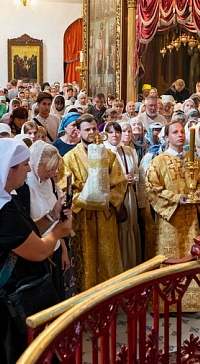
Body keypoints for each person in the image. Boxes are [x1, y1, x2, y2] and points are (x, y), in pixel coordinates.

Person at [0, 139, 72, 364]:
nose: (29, 169)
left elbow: (26, 233)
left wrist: (52, 216)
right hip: (9, 306)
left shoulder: (1, 199)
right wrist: (58, 233)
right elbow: (38, 251)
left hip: (8, 297)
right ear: (7, 169)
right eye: (25, 164)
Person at [145, 121, 200, 312]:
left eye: (182, 132)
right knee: (170, 259)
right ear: (166, 138)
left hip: (191, 219)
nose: (180, 135)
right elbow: (152, 190)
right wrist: (176, 198)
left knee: (191, 257)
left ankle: (190, 303)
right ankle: (168, 303)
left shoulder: (194, 160)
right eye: (175, 132)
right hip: (170, 222)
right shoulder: (158, 162)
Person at [60, 114, 127, 292]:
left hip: (105, 215)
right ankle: (86, 301)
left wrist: (106, 199)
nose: (91, 132)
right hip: (83, 217)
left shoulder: (110, 156)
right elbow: (65, 189)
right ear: (78, 132)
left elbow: (120, 183)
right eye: (87, 129)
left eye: (94, 128)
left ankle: (109, 297)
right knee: (86, 260)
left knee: (107, 257)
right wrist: (86, 199)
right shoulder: (69, 158)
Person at [26, 141, 72, 301]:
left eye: (55, 168)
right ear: (35, 163)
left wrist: (64, 249)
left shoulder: (51, 183)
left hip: (55, 247)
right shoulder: (25, 187)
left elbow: (55, 223)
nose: (54, 172)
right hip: (36, 252)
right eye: (49, 168)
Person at [104, 122, 141, 270]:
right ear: (106, 133)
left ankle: (131, 264)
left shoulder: (128, 151)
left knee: (129, 226)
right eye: (111, 132)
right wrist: (121, 180)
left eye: (118, 132)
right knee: (118, 230)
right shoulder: (103, 151)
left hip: (129, 195)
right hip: (113, 197)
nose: (115, 135)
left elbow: (137, 172)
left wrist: (133, 179)